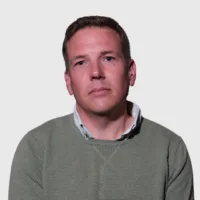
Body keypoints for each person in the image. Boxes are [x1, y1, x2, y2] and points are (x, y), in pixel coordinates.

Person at [8, 15, 194, 200]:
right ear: (68, 82)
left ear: (131, 72)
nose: (96, 73)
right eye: (81, 62)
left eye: (108, 59)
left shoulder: (170, 149)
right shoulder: (36, 148)